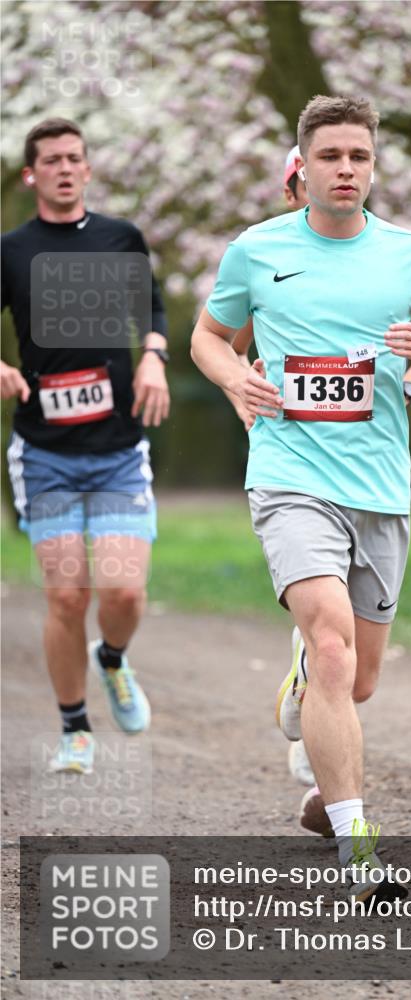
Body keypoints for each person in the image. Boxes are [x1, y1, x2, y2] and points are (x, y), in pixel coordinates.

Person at [191, 95, 411, 903]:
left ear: (372, 164)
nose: (345, 169)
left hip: (379, 485)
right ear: (303, 165)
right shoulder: (256, 251)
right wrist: (234, 377)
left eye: (358, 156)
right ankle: (361, 849)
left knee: (355, 682)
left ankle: (324, 790)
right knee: (331, 644)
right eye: (330, 157)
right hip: (288, 476)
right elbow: (207, 337)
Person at [1, 118, 170, 775]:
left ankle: (112, 658)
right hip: (44, 453)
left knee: (122, 594)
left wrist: (153, 360)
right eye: (51, 160)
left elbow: (152, 311)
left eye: (75, 158)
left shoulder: (119, 238)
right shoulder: (11, 250)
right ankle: (74, 728)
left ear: (88, 169)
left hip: (119, 450)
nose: (65, 168)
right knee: (67, 596)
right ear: (31, 174)